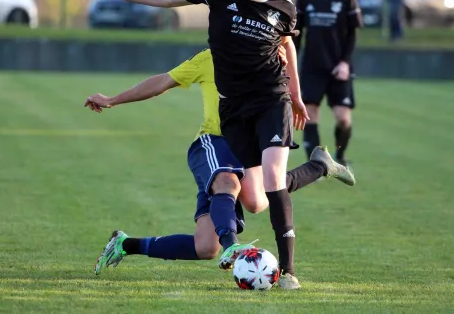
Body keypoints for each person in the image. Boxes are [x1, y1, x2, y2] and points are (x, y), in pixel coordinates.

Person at [80, 0, 320, 289]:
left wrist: (297, 94)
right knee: (208, 241)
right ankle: (214, 246)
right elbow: (167, 0)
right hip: (224, 129)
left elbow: (287, 42)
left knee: (261, 195)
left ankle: (287, 271)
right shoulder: (215, 10)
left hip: (271, 99)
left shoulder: (285, 7)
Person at [86, 48, 355, 286]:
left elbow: (287, 40)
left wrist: (292, 91)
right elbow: (162, 81)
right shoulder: (209, 58)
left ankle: (124, 244)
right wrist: (112, 99)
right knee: (228, 182)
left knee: (210, 242)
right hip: (214, 141)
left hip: (247, 148)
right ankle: (231, 246)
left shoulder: (267, 57)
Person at [294, 0, 363, 167]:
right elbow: (296, 34)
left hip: (338, 67)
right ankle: (315, 166)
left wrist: (344, 62)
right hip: (312, 68)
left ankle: (340, 157)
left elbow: (353, 34)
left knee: (343, 118)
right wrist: (292, 64)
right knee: (310, 114)